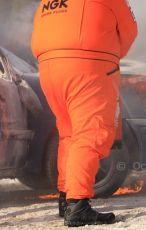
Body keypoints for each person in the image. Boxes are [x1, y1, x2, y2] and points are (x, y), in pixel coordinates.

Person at [31, 0, 137, 227]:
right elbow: (129, 31)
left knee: (69, 134)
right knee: (92, 132)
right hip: (88, 65)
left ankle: (66, 197)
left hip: (49, 69)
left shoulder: (47, 2)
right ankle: (78, 205)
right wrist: (111, 52)